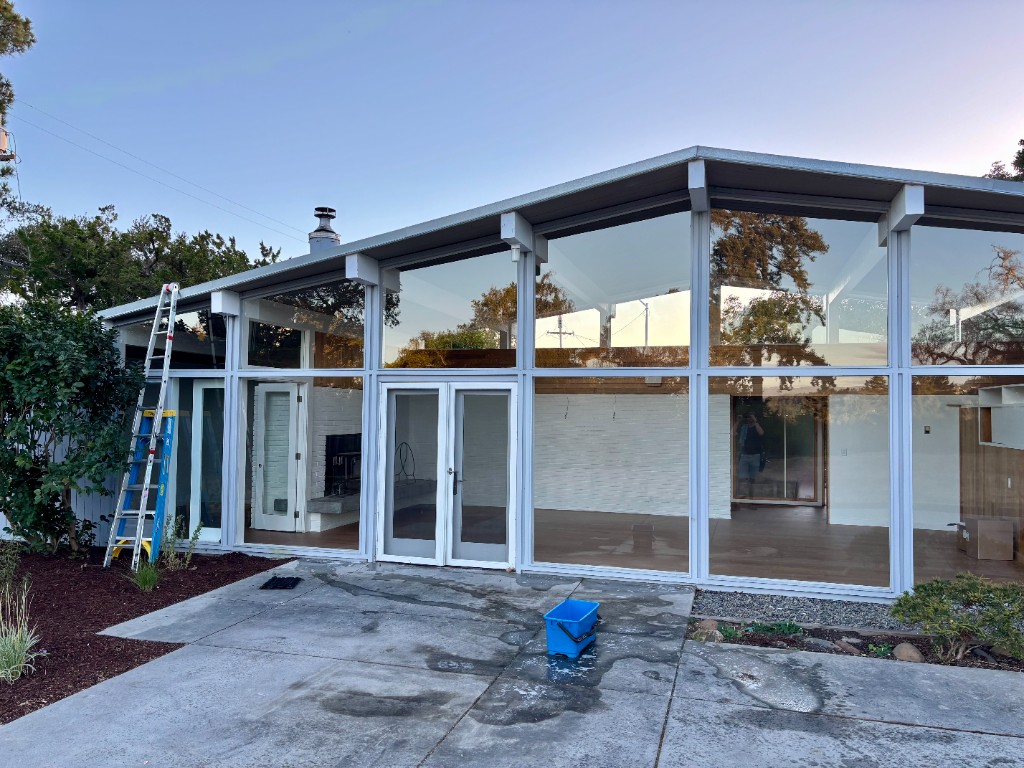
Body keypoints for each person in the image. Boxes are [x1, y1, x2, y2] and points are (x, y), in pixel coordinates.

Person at [732, 411, 764, 498]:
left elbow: (761, 433)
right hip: (744, 455)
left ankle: (751, 500)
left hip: (755, 456)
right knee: (741, 479)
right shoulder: (744, 427)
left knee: (752, 480)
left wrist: (755, 421)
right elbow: (732, 432)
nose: (749, 418)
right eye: (748, 417)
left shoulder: (757, 426)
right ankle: (738, 500)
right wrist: (738, 421)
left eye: (751, 417)